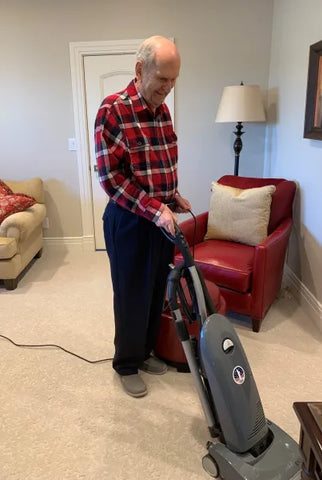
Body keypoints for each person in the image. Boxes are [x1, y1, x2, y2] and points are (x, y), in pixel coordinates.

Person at [94, 36, 191, 398]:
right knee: (131, 293)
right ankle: (126, 363)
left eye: (174, 80)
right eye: (162, 79)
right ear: (140, 70)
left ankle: (146, 350)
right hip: (129, 221)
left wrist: (172, 197)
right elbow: (111, 179)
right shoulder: (112, 110)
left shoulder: (162, 110)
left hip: (160, 219)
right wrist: (155, 207)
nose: (168, 88)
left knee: (156, 292)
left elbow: (161, 164)